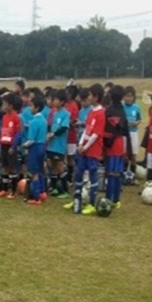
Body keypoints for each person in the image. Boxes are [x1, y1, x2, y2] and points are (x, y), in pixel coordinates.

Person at [65, 84, 106, 215]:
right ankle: (77, 199)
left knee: (93, 176)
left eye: (90, 95)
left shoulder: (101, 113)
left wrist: (86, 146)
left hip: (93, 150)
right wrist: (81, 143)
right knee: (78, 173)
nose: (88, 98)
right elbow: (87, 130)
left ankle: (92, 204)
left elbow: (96, 134)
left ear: (96, 97)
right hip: (83, 149)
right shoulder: (91, 112)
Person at [103, 85, 130, 208]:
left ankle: (109, 198)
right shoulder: (122, 111)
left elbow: (105, 128)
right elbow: (126, 130)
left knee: (110, 173)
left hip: (110, 143)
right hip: (119, 143)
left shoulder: (108, 111)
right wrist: (128, 149)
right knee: (117, 173)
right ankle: (116, 199)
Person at [21, 96, 48, 205]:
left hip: (35, 148)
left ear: (37, 108)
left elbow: (31, 140)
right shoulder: (44, 121)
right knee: (41, 171)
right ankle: (42, 192)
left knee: (34, 173)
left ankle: (36, 197)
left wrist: (23, 146)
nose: (30, 108)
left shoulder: (33, 122)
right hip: (42, 146)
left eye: (31, 106)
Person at [46, 89, 71, 199]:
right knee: (53, 165)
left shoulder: (65, 113)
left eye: (55, 99)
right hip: (52, 144)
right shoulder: (54, 113)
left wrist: (53, 134)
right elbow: (50, 126)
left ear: (61, 101)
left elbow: (64, 128)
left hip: (59, 145)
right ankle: (55, 187)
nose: (53, 101)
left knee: (60, 166)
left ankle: (65, 190)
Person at [122, 86, 141, 184]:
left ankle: (132, 176)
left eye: (131, 96)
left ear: (134, 97)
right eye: (127, 96)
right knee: (124, 155)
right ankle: (124, 176)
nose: (129, 98)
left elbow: (139, 119)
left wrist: (136, 123)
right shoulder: (122, 107)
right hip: (125, 134)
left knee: (133, 155)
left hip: (133, 133)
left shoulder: (136, 107)